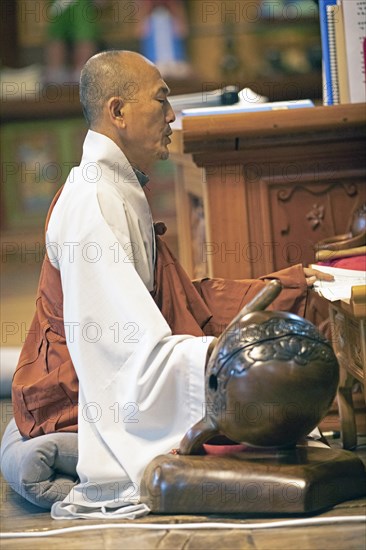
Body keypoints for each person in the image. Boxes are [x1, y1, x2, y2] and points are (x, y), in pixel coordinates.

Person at [11, 50, 333, 519]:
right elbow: (121, 355)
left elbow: (166, 299)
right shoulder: (92, 203)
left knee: (293, 300)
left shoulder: (115, 185)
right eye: (161, 101)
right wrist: (216, 358)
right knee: (260, 361)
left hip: (106, 364)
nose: (172, 116)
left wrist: (277, 290)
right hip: (68, 391)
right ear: (117, 112)